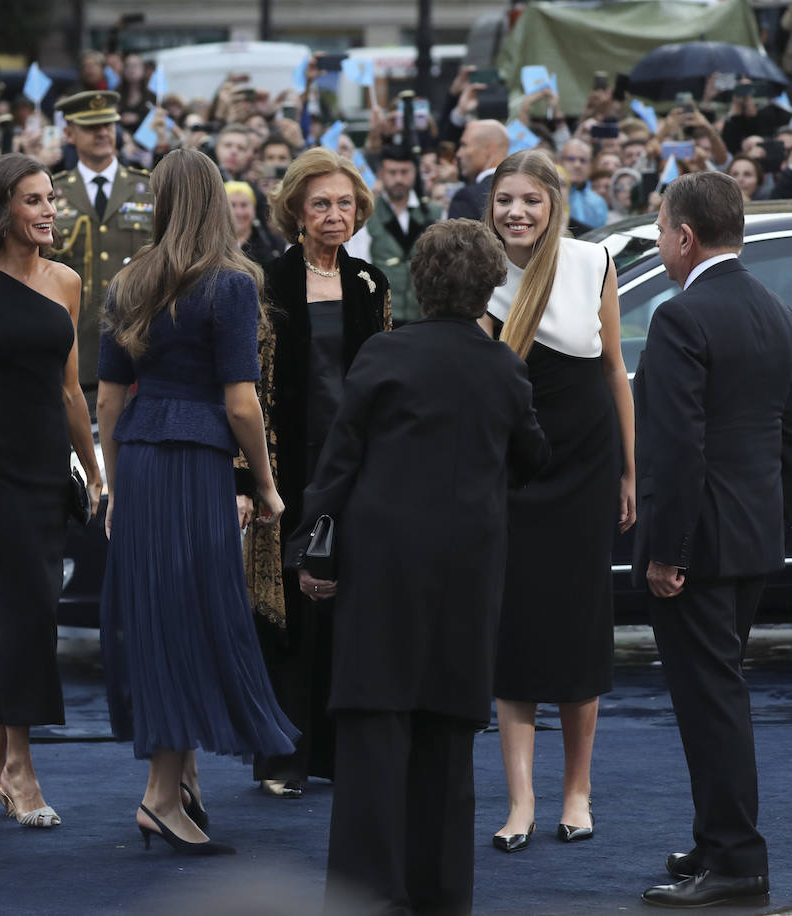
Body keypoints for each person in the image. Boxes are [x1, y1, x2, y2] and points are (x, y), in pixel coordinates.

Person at [290, 218, 550, 916]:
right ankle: (441, 898)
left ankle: (368, 899)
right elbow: (534, 457)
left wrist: (313, 547)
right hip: (467, 575)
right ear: (489, 285)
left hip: (383, 573)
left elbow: (339, 463)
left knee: (374, 740)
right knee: (447, 743)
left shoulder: (383, 354)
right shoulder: (504, 367)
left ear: (422, 281)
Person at [96, 147, 297, 856]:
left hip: (145, 464)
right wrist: (267, 485)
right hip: (196, 465)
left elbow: (110, 401)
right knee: (194, 618)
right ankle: (160, 796)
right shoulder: (232, 284)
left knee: (160, 620)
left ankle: (178, 785)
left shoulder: (128, 280)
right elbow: (242, 404)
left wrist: (116, 488)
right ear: (217, 200)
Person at [636, 171, 792, 909]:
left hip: (699, 542)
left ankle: (734, 859)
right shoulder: (770, 307)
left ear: (685, 236)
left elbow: (675, 450)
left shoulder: (680, 317)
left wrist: (667, 550)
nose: (661, 241)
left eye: (662, 228)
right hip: (753, 534)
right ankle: (715, 840)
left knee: (711, 703)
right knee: (718, 694)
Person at [0, 153, 104, 829]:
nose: (47, 212)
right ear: (4, 207)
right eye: (33, 201)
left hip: (47, 466)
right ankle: (21, 768)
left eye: (50, 200)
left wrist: (92, 468)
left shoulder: (66, 281)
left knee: (16, 606)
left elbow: (70, 389)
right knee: (31, 607)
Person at [483, 149, 636, 853]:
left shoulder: (591, 262)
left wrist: (630, 473)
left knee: (578, 628)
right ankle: (521, 803)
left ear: (556, 203)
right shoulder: (479, 270)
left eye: (530, 200)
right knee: (513, 630)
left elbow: (613, 372)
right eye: (505, 199)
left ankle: (578, 790)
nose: (516, 212)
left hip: (585, 468)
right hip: (512, 471)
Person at [245, 147, 391, 800]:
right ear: (297, 214)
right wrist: (253, 480)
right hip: (287, 465)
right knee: (286, 612)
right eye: (321, 205)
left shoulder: (370, 283)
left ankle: (338, 752)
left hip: (356, 465)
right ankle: (282, 756)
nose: (336, 215)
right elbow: (251, 385)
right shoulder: (267, 283)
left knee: (348, 609)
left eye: (345, 204)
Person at [48, 90, 154, 402]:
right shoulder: (53, 192)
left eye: (108, 124)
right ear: (69, 133)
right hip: (75, 347)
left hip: (138, 341)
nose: (102, 133)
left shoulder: (146, 189)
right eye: (91, 127)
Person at [362, 144, 441, 326]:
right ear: (381, 173)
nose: (399, 178)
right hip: (381, 316)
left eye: (405, 172)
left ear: (416, 171)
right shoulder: (368, 214)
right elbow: (361, 265)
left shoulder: (433, 213)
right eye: (392, 172)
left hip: (423, 315)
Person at [448, 119, 509, 219]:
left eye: (464, 145)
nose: (458, 154)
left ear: (488, 150)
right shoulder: (527, 191)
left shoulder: (467, 198)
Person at [559, 139, 609, 234]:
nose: (577, 165)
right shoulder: (549, 194)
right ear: (560, 161)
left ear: (591, 165)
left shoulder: (598, 202)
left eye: (583, 160)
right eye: (571, 159)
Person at [226, 179, 281, 265]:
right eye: (232, 205)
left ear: (254, 209)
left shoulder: (272, 246)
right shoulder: (211, 245)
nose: (238, 212)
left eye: (244, 205)